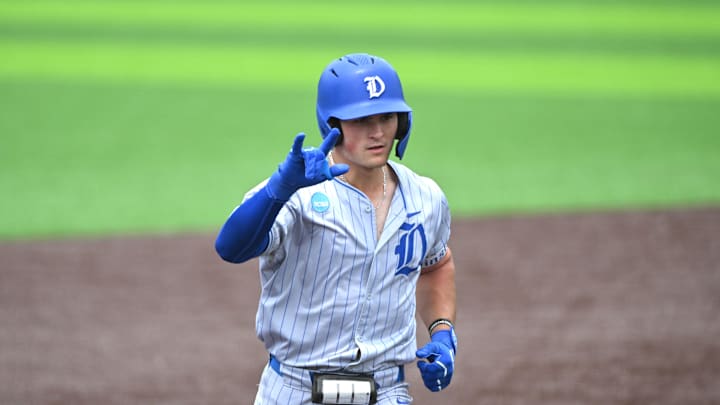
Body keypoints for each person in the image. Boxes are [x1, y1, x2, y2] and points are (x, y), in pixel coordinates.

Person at [215, 53, 457, 404]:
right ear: (333, 125)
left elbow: (436, 265)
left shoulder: (426, 198)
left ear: (402, 123)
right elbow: (231, 248)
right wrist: (278, 191)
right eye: (361, 120)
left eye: (387, 117)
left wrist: (443, 332)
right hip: (296, 390)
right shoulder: (296, 192)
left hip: (388, 391)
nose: (377, 133)